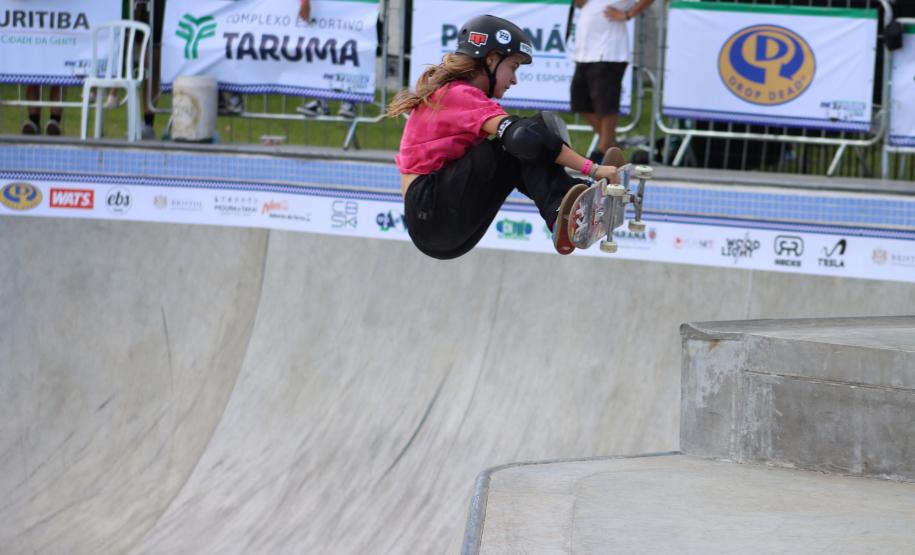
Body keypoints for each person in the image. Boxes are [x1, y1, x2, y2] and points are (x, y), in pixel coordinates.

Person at [387, 14, 618, 260]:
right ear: (492, 59)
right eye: (514, 67)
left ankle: (568, 208)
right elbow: (524, 139)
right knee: (528, 135)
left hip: (441, 227)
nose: (514, 80)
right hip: (430, 210)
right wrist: (592, 168)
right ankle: (564, 208)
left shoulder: (458, 96)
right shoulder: (457, 94)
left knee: (524, 141)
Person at [571, 0, 653, 163]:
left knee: (606, 105)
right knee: (580, 102)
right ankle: (611, 146)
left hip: (609, 51)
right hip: (585, 51)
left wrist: (628, 14)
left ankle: (603, 150)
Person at [296, 0, 357, 118]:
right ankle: (322, 101)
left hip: (346, 12)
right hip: (325, 14)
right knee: (321, 52)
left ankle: (348, 101)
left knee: (348, 50)